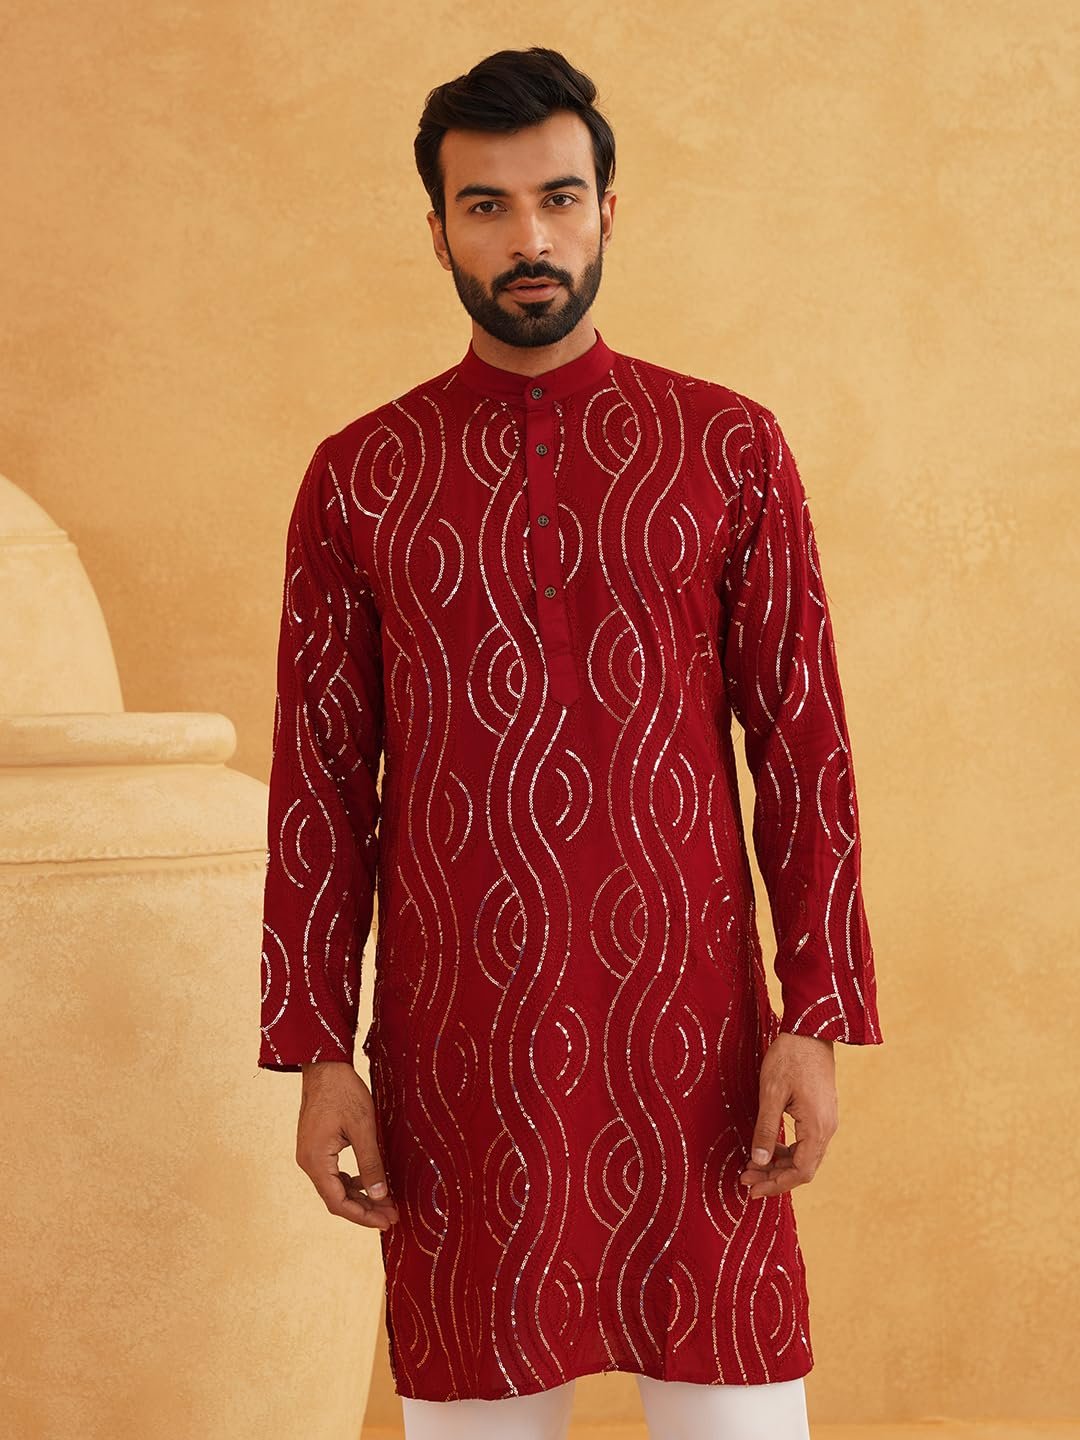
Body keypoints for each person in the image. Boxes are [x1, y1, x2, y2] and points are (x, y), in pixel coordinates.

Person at [258, 45, 883, 1440]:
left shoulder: (727, 447)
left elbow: (804, 748)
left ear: (609, 209)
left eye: (557, 198)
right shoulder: (363, 476)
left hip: (697, 1047)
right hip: (458, 1055)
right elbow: (321, 781)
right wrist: (319, 1051)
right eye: (485, 206)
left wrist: (816, 1017)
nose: (527, 238)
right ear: (438, 233)